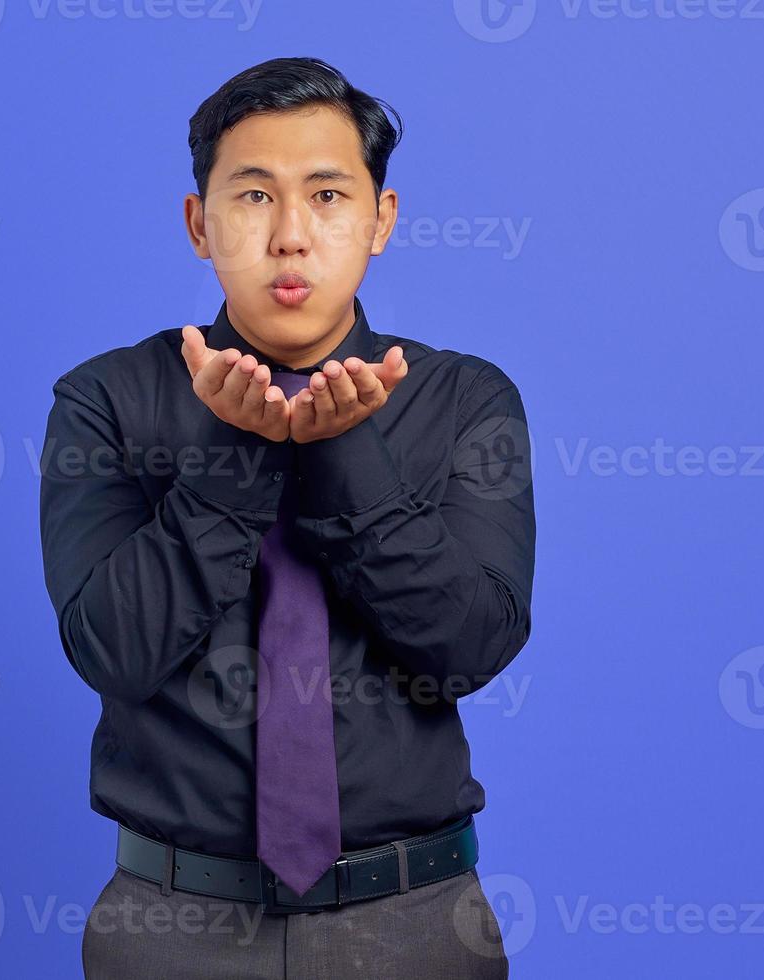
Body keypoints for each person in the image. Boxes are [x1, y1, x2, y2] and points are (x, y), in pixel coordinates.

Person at [39, 55, 535, 979]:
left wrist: (344, 449)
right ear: (200, 224)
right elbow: (113, 650)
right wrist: (238, 451)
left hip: (414, 925)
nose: (292, 236)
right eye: (255, 196)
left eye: (329, 195)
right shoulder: (105, 400)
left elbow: (470, 648)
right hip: (171, 928)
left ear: (381, 220)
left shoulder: (466, 399)